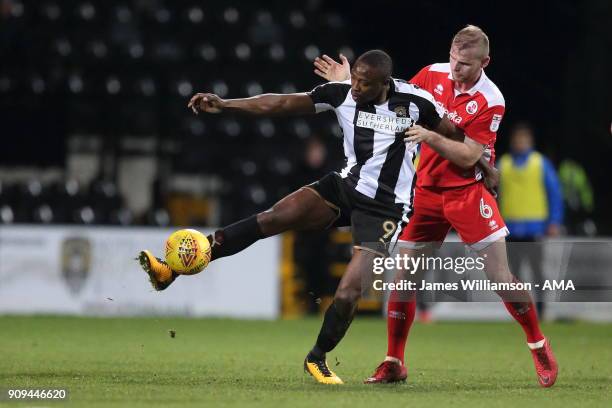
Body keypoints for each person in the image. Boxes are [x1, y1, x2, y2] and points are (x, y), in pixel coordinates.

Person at [138, 49, 498, 385]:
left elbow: (455, 136)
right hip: (344, 187)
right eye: (354, 78)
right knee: (273, 217)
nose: (355, 86)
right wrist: (226, 105)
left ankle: (317, 357)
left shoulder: (417, 103)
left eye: (364, 83)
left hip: (387, 208)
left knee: (349, 290)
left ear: (383, 83)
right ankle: (172, 270)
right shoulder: (341, 94)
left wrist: (483, 168)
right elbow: (279, 103)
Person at [314, 25, 558, 387]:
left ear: (484, 62)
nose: (455, 68)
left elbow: (468, 155)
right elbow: (388, 97)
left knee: (501, 278)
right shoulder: (432, 73)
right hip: (424, 191)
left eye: (464, 64)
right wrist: (349, 80)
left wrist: (430, 135)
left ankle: (538, 345)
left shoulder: (492, 99)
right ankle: (394, 361)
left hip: (466, 192)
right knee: (404, 278)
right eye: (453, 59)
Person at [499, 122, 564, 318]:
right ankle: (520, 312)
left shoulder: (540, 163)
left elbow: (555, 194)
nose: (520, 143)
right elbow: (492, 194)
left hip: (535, 228)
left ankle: (542, 310)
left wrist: (554, 221)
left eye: (523, 139)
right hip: (510, 227)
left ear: (530, 141)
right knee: (513, 275)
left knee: (537, 273)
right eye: (517, 140)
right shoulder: (503, 164)